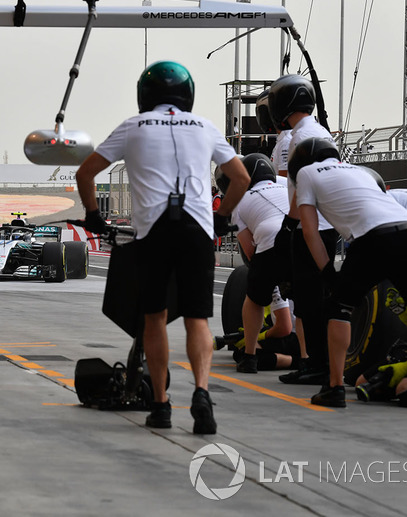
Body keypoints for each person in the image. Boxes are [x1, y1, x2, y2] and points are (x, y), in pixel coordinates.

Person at [75, 61, 250, 434]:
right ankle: (202, 393)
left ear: (145, 95)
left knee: (154, 317)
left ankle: (161, 405)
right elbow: (241, 177)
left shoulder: (132, 126)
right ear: (187, 94)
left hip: (153, 230)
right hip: (198, 229)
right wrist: (222, 217)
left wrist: (93, 215)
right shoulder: (205, 126)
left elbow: (85, 172)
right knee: (197, 318)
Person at [290, 137, 407, 407]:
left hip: (371, 237)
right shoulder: (357, 171)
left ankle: (333, 388)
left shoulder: (307, 173)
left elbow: (309, 231)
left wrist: (328, 273)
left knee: (338, 308)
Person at [268, 75, 339, 386]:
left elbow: (299, 185)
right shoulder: (319, 130)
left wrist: (289, 224)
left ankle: (316, 365)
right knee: (314, 299)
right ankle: (316, 363)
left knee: (309, 300)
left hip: (309, 224)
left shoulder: (298, 137)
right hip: (325, 223)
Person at [228, 153, 292, 373]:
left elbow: (250, 252)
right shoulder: (286, 185)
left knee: (254, 298)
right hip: (305, 238)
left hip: (271, 241)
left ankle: (249, 357)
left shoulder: (240, 200)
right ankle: (308, 358)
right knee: (307, 300)